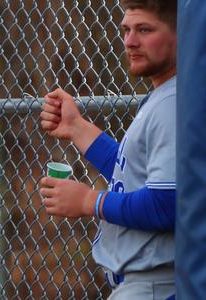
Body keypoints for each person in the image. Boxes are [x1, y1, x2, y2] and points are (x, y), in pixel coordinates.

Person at [39, 1, 176, 299]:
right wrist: (76, 127)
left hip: (158, 285)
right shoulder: (165, 95)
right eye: (126, 30)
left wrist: (89, 200)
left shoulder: (173, 103)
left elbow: (167, 204)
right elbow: (133, 173)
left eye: (144, 29)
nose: (130, 41)